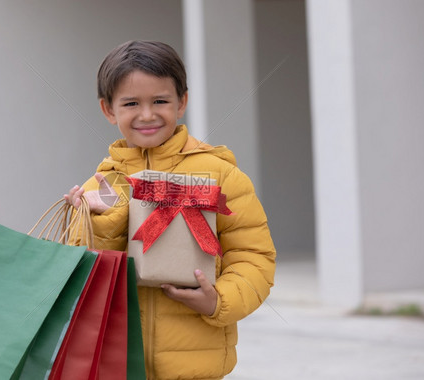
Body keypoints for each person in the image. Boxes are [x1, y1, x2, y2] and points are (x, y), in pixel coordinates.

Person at [64, 40, 275, 380]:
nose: (147, 114)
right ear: (108, 109)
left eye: (160, 101)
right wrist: (99, 218)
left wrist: (217, 300)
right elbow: (83, 278)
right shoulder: (101, 186)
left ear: (182, 102)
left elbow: (254, 256)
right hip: (117, 364)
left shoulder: (219, 174)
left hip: (194, 366)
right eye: (131, 103)